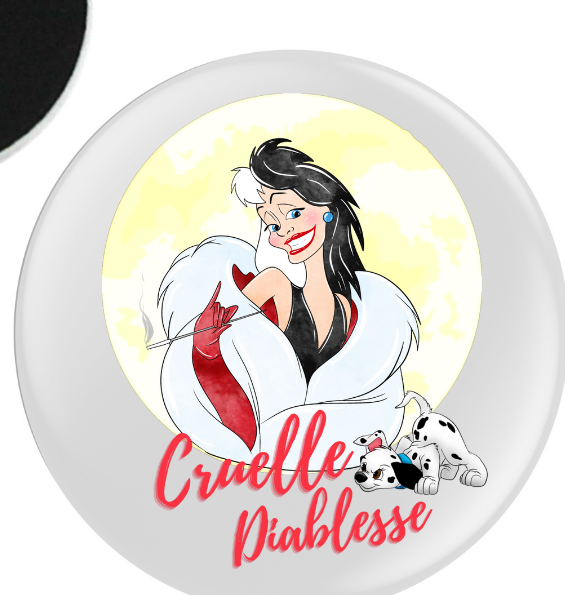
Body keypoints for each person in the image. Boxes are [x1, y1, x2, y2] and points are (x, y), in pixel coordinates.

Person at [157, 138, 419, 470]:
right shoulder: (274, 285)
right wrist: (207, 349)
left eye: (294, 213)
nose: (283, 233)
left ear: (327, 211)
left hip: (345, 457)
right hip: (268, 454)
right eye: (272, 224)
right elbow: (240, 364)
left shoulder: (362, 313)